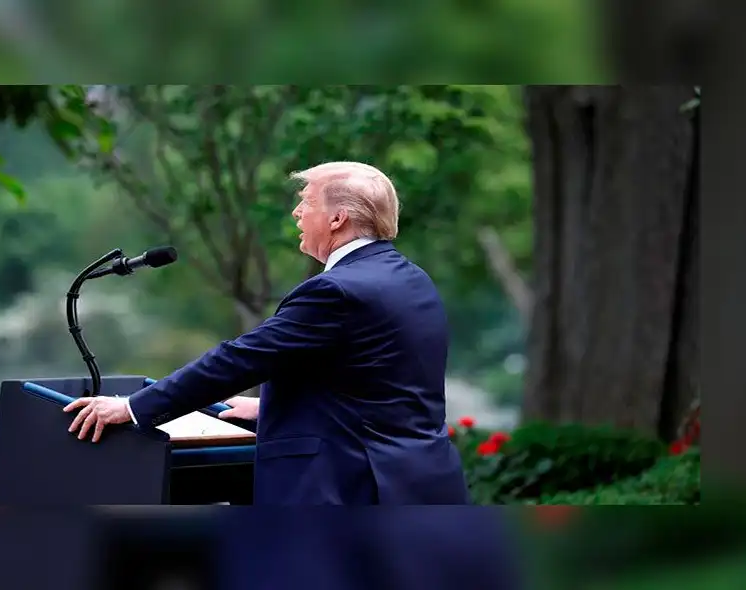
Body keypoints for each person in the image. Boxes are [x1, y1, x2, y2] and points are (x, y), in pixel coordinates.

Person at [64, 161, 470, 505]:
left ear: (337, 219)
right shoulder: (413, 281)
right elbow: (384, 385)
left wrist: (133, 408)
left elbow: (239, 359)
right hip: (419, 484)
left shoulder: (336, 290)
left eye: (307, 202)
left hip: (348, 489)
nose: (296, 213)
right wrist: (272, 408)